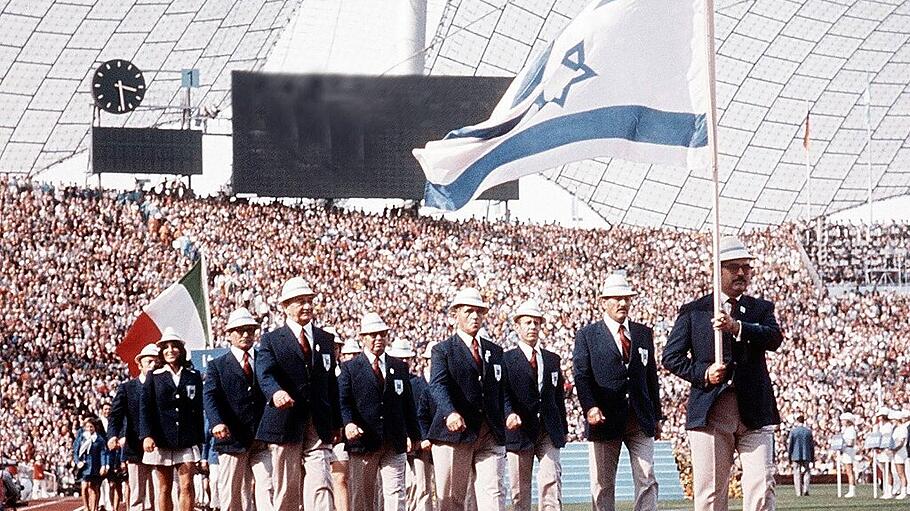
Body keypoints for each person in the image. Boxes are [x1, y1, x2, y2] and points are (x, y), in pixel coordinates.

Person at [662, 236, 783, 511]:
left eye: (746, 267)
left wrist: (737, 327)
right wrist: (704, 373)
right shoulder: (695, 311)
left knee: (762, 485)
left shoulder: (760, 309)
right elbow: (671, 357)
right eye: (733, 267)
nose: (741, 272)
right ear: (716, 270)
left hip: (754, 409)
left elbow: (774, 338)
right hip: (712, 411)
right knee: (711, 494)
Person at [574, 275, 662, 511]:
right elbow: (581, 376)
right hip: (604, 418)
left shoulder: (643, 333)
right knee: (603, 484)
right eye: (616, 298)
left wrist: (657, 415)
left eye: (626, 298)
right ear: (603, 302)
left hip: (639, 417)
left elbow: (650, 376)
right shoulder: (587, 335)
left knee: (647, 479)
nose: (622, 303)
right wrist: (590, 407)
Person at [428, 287, 516, 511]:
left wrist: (509, 412)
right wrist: (450, 412)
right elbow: (438, 385)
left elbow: (501, 389)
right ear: (455, 314)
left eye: (479, 311)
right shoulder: (443, 350)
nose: (474, 316)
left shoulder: (494, 352)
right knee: (451, 499)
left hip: (489, 432)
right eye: (468, 311)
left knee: (493, 495)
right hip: (455, 434)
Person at [256, 277, 340, 511]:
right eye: (299, 302)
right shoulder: (271, 340)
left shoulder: (325, 339)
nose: (306, 306)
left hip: (318, 422)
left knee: (321, 481)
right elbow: (264, 373)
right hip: (285, 421)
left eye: (309, 301)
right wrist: (276, 392)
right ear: (285, 306)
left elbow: (330, 382)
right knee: (287, 487)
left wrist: (337, 422)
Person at [338, 312, 421, 511]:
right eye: (373, 335)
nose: (378, 339)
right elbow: (343, 400)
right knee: (362, 495)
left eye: (382, 334)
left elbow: (408, 404)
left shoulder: (398, 367)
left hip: (394, 439)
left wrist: (414, 434)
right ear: (363, 338)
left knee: (395, 493)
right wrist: (348, 423)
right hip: (364, 441)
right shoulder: (350, 368)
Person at [203, 307, 272, 511]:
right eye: (240, 330)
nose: (245, 335)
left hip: (261, 437)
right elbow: (210, 395)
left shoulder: (263, 360)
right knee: (232, 493)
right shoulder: (218, 365)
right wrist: (217, 422)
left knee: (268, 486)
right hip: (231, 438)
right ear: (229, 334)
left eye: (250, 330)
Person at [504, 300, 568, 511]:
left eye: (536, 323)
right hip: (519, 431)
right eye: (528, 323)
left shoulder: (552, 360)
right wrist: (509, 414)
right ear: (517, 326)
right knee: (520, 490)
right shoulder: (506, 360)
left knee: (551, 481)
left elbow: (558, 397)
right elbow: (501, 394)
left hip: (548, 429)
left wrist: (563, 429)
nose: (532, 327)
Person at [140, 328, 205, 511]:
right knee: (164, 487)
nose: (170, 350)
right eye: (166, 347)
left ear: (181, 350)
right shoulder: (154, 376)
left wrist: (200, 441)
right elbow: (145, 407)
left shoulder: (193, 376)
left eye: (174, 346)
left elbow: (197, 409)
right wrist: (147, 435)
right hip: (161, 439)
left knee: (186, 485)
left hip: (186, 439)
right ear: (161, 351)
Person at [109, 343, 159, 511]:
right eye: (149, 362)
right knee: (137, 493)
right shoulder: (127, 388)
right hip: (135, 447)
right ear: (140, 364)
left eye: (156, 362)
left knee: (160, 492)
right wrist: (113, 435)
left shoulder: (164, 386)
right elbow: (116, 414)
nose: (153, 366)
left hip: (160, 446)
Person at [386, 338, 433, 511]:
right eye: (400, 359)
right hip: (406, 440)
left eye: (407, 359)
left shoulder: (416, 382)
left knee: (422, 486)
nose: (404, 362)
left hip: (423, 439)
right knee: (410, 485)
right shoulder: (393, 382)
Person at [332, 338, 362, 511]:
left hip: (341, 434)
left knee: (340, 478)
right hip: (318, 432)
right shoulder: (315, 369)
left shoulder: (346, 372)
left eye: (336, 347)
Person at [74, 417, 109, 511]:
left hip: (95, 466)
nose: (89, 429)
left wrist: (103, 466)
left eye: (91, 427)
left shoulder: (99, 439)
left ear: (95, 427)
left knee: (94, 487)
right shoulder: (81, 437)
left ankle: (94, 508)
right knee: (84, 486)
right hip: (84, 466)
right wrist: (78, 462)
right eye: (87, 427)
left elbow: (103, 453)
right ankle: (86, 507)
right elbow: (76, 451)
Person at [787, 415, 814, 496]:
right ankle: (806, 489)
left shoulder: (794, 431)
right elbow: (811, 446)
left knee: (797, 473)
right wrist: (812, 457)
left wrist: (789, 457)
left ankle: (798, 492)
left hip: (795, 455)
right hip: (806, 454)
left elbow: (790, 445)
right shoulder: (808, 431)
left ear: (797, 421)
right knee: (807, 472)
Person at [837, 412, 858, 498]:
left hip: (849, 451)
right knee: (848, 471)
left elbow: (851, 442)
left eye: (843, 420)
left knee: (849, 471)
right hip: (846, 451)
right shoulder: (845, 429)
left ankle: (852, 490)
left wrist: (843, 444)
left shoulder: (851, 430)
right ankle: (851, 489)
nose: (842, 422)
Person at [893, 410, 909, 500]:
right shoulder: (897, 428)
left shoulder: (902, 428)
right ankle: (902, 490)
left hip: (901, 452)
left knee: (902, 473)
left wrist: (895, 449)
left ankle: (904, 491)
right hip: (897, 452)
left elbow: (901, 442)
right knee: (899, 473)